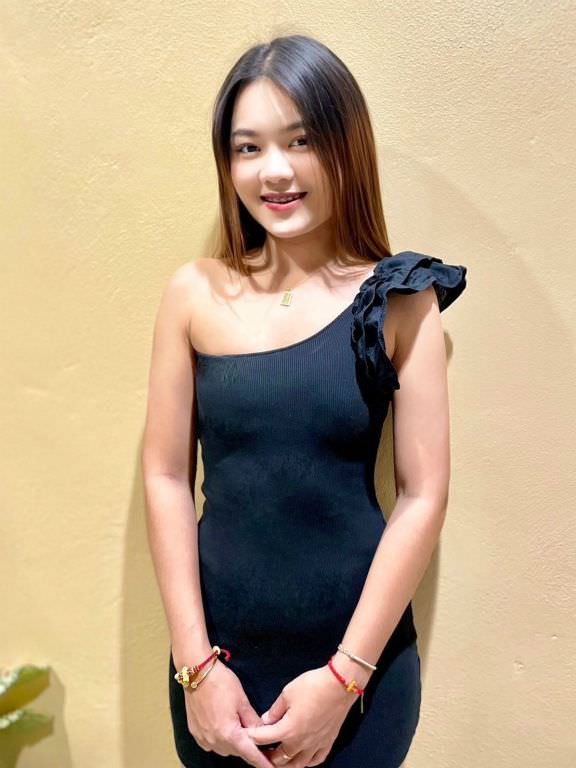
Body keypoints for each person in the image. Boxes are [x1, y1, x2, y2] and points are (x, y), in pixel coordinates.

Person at [142, 33, 467, 768]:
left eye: (302, 140)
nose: (275, 170)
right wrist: (196, 669)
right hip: (214, 673)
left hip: (357, 677)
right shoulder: (193, 293)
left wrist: (344, 679)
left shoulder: (400, 298)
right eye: (248, 147)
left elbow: (424, 496)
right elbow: (164, 476)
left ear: (346, 145)